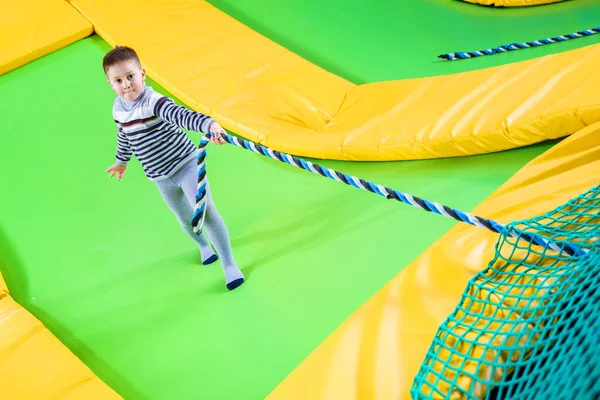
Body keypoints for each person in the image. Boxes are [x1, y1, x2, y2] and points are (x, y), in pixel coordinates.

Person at [103, 46, 244, 291]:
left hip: (186, 164)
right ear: (110, 83)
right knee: (184, 219)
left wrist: (209, 125)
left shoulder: (154, 101)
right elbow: (124, 136)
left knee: (206, 212)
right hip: (159, 176)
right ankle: (203, 246)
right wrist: (121, 161)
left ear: (142, 74)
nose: (126, 84)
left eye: (130, 76)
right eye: (118, 80)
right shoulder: (117, 108)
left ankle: (229, 265)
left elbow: (180, 115)